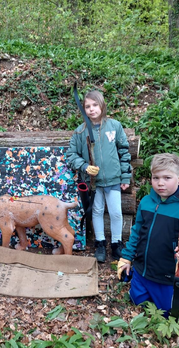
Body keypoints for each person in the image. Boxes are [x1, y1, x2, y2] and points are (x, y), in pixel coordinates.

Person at [117, 153, 179, 316]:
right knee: (136, 299)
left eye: (167, 177)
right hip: (143, 270)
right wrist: (127, 258)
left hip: (168, 274)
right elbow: (137, 232)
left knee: (170, 310)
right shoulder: (146, 202)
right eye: (156, 177)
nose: (160, 183)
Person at [66, 90, 132, 262]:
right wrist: (85, 167)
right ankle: (100, 243)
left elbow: (124, 152)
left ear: (102, 106)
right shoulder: (80, 132)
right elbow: (71, 155)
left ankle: (117, 243)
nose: (91, 109)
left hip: (113, 180)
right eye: (87, 106)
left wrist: (125, 177)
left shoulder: (114, 126)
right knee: (96, 211)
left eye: (95, 105)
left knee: (116, 212)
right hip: (93, 183)